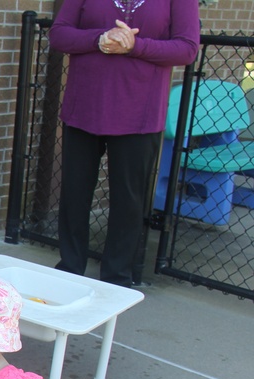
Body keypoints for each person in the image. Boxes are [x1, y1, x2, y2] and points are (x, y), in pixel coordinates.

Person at [49, 0, 200, 287]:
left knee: (129, 201)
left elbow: (187, 48)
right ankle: (69, 270)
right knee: (73, 195)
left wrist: (134, 45)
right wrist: (100, 39)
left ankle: (116, 279)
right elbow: (59, 34)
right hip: (84, 108)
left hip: (139, 115)